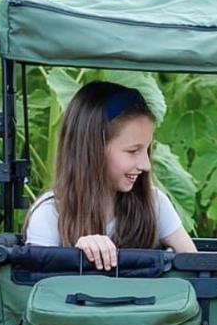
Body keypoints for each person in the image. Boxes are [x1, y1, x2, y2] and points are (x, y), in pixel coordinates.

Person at [23, 81, 197, 268]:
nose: (146, 165)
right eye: (133, 151)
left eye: (147, 150)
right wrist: (75, 256)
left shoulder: (155, 203)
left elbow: (197, 269)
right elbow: (36, 290)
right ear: (92, 150)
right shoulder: (49, 214)